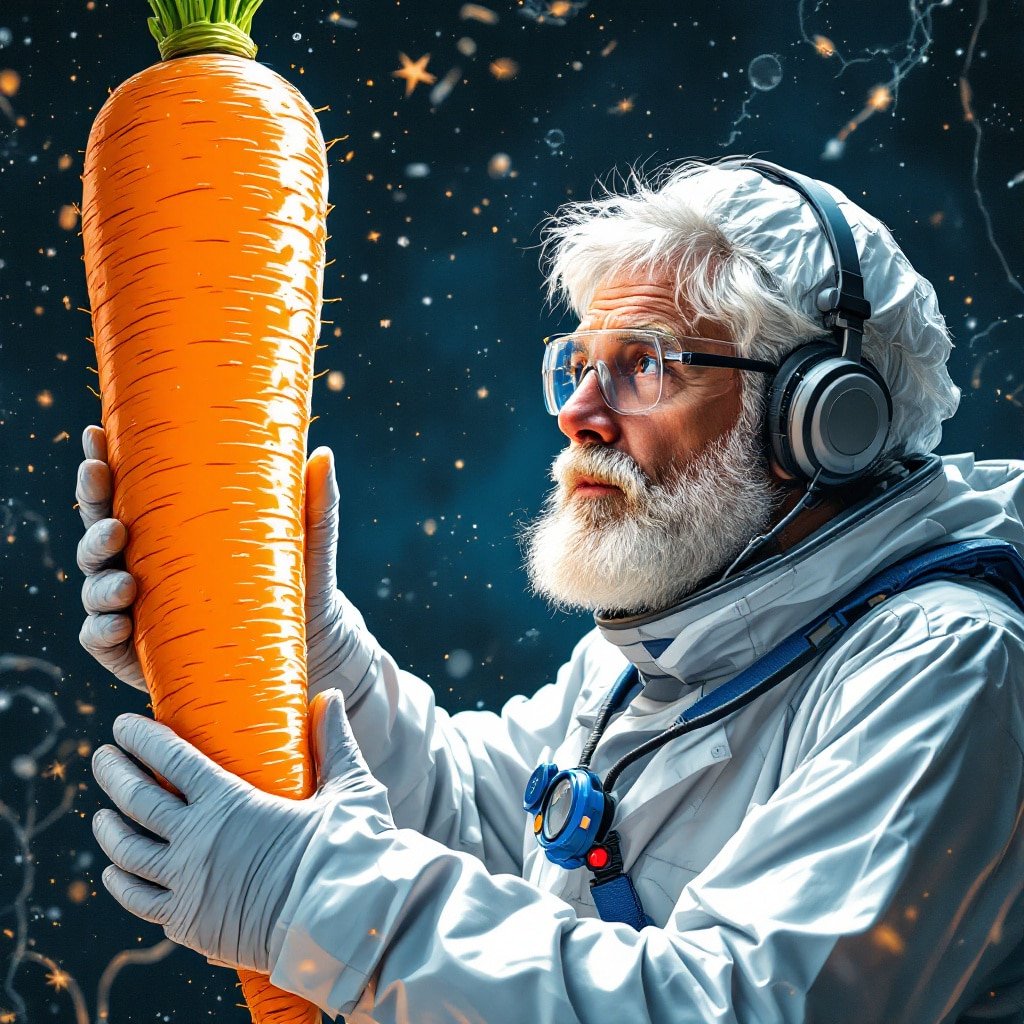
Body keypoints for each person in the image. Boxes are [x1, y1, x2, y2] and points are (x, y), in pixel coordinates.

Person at [77, 157, 1024, 1023]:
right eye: (579, 364)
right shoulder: (683, 623)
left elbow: (731, 1008)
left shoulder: (951, 668)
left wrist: (307, 897)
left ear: (821, 418)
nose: (578, 413)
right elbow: (494, 828)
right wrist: (303, 652)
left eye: (644, 365)